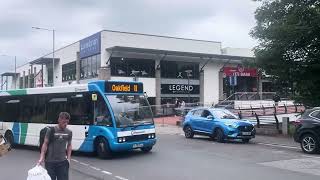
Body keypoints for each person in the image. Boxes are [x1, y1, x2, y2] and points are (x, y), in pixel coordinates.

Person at [38, 112, 73, 180]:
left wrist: (68, 158)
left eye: (67, 122)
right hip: (50, 162)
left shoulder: (69, 132)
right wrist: (41, 157)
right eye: (64, 122)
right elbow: (45, 144)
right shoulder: (51, 131)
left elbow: (69, 145)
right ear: (59, 120)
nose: (65, 124)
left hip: (63, 162)